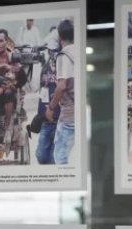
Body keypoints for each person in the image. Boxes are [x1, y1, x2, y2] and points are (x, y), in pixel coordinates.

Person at [46, 19, 75, 165]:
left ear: (59, 36)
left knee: (60, 156)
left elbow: (62, 86)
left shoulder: (64, 55)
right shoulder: (79, 52)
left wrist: (51, 108)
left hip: (70, 114)